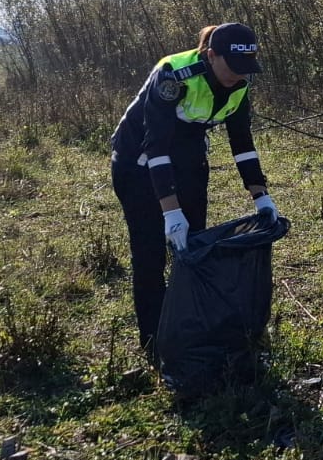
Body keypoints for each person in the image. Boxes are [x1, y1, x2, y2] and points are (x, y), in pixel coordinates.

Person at [110, 22, 278, 356]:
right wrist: (171, 211)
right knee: (150, 255)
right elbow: (155, 147)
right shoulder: (174, 76)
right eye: (233, 67)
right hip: (138, 162)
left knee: (193, 249)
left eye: (246, 69)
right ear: (212, 55)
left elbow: (242, 141)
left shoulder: (241, 80)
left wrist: (260, 194)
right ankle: (155, 342)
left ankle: (189, 326)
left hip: (187, 158)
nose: (239, 77)